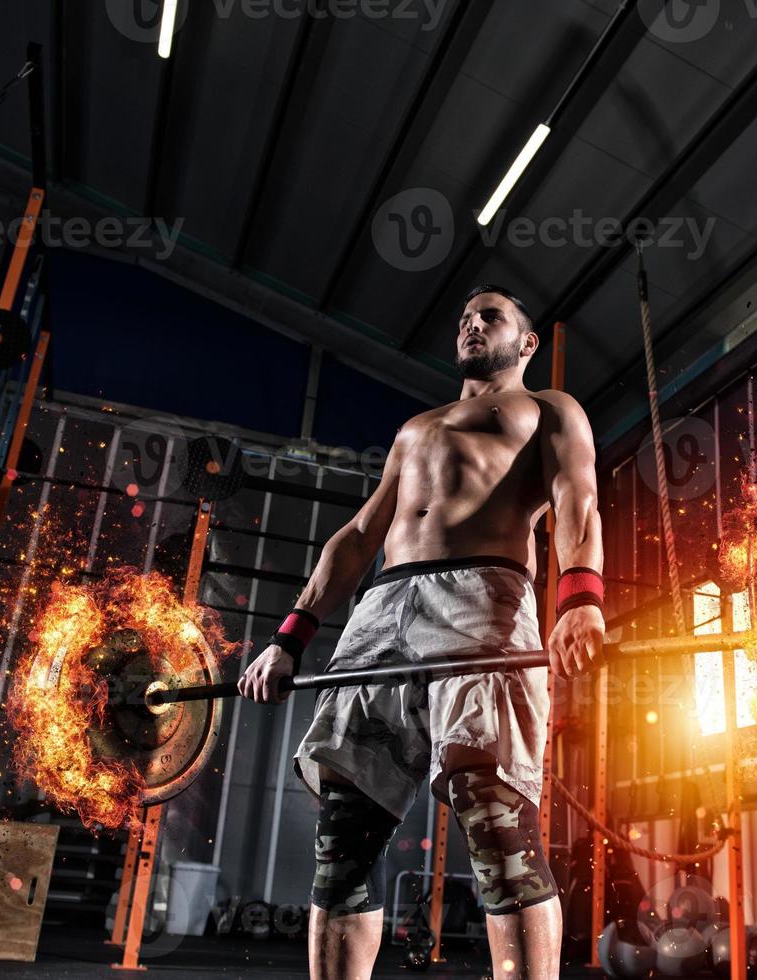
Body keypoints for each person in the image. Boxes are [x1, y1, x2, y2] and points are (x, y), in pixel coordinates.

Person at [237, 284, 605, 980]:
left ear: (527, 342)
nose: (471, 323)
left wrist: (579, 598)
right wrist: (289, 638)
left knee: (496, 824)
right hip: (381, 614)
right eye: (464, 315)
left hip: (483, 599)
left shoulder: (547, 409)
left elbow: (576, 501)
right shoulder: (416, 427)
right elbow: (357, 536)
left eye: (489, 316)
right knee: (342, 833)